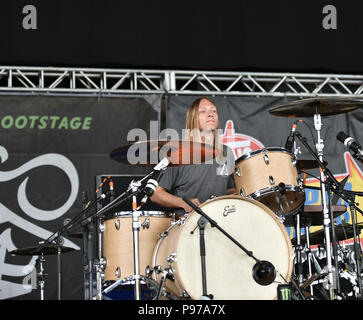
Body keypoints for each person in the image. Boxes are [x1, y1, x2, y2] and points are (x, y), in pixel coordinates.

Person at [150, 97, 236, 218]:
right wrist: (182, 202)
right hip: (187, 224)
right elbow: (156, 194)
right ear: (193, 119)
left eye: (214, 111)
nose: (210, 114)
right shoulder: (178, 153)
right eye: (203, 111)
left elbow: (230, 189)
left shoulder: (227, 152)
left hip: (221, 221)